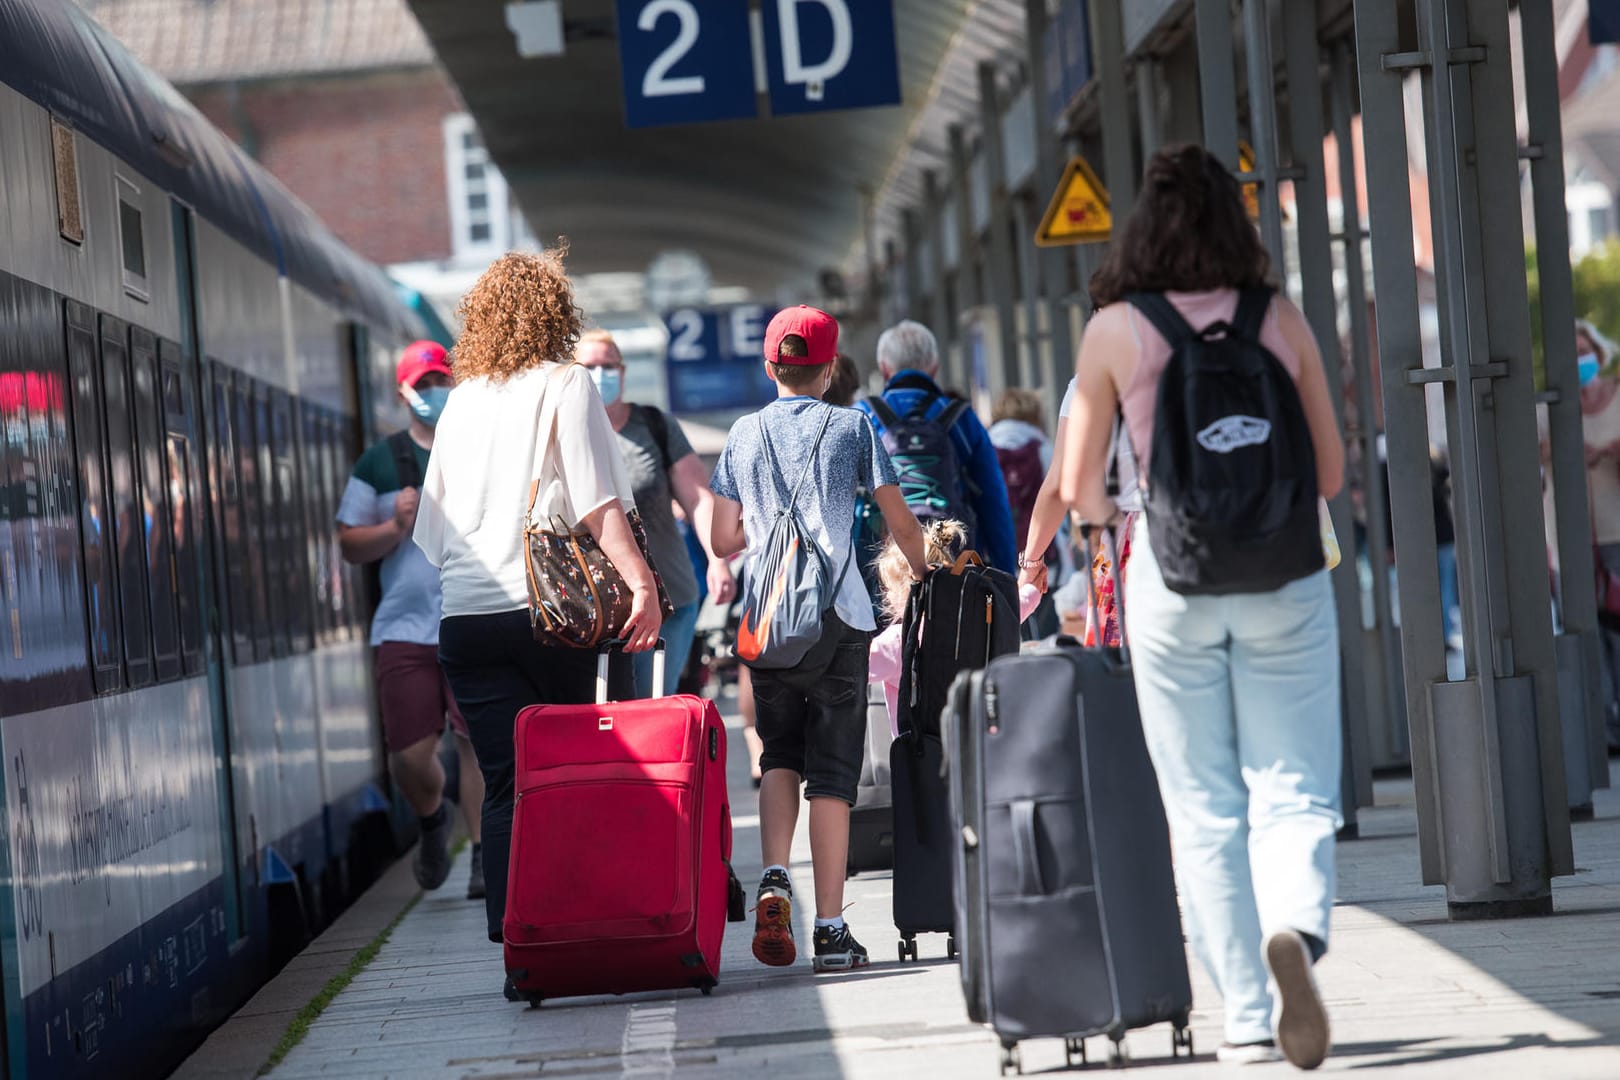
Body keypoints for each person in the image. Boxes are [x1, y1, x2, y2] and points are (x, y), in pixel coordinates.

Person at [1059, 144, 1345, 1070]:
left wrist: (1133, 511)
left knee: (1202, 807)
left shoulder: (1115, 332)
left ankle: (1249, 1021)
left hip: (1171, 581)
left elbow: (1079, 489)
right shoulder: (1279, 318)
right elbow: (1332, 474)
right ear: (1238, 221)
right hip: (1286, 575)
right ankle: (1297, 927)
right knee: (1291, 785)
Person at [413, 249, 663, 955]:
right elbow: (595, 502)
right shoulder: (567, 382)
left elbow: (430, 531)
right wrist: (641, 584)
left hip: (465, 621)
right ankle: (578, 917)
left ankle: (514, 939)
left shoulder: (459, 401)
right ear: (557, 315)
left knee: (503, 783)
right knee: (570, 773)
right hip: (552, 618)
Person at [708, 305, 927, 974]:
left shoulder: (742, 435)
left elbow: (722, 538)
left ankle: (775, 877)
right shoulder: (853, 426)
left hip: (770, 621)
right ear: (830, 369)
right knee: (832, 776)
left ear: (770, 365)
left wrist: (767, 538)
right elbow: (899, 520)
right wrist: (925, 571)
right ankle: (830, 929)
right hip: (839, 619)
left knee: (778, 754)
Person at [336, 340, 484, 898]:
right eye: (422, 386)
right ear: (403, 393)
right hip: (404, 626)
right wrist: (395, 527)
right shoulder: (380, 462)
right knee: (408, 757)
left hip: (468, 615)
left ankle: (482, 857)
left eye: (440, 382)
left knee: (474, 744)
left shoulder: (475, 451)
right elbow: (349, 545)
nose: (433, 393)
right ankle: (431, 819)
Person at [575, 330, 736, 697]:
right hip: (593, 606)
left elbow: (698, 498)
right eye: (589, 367)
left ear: (623, 371)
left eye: (608, 366)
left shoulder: (654, 425)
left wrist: (718, 559)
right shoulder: (566, 433)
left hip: (669, 598)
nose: (600, 375)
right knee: (602, 715)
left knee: (650, 705)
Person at [855, 321, 1018, 574]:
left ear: (885, 369)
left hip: (884, 568)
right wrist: (1006, 574)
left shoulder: (863, 417)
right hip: (952, 564)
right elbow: (993, 500)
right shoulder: (960, 418)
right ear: (934, 368)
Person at [867, 520, 1041, 732]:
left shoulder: (897, 641)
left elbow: (857, 668)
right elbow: (1018, 608)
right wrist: (1034, 587)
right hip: (977, 744)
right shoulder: (974, 618)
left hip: (924, 757)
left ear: (901, 591)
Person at [1567, 318, 1620, 748]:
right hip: (1573, 538)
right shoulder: (1555, 408)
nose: (1580, 359)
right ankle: (1606, 730)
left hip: (1617, 532)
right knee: (1589, 635)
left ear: (1598, 353)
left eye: (1584, 349)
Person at [989, 388, 1058, 637]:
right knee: (1043, 630)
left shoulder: (986, 445)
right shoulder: (1043, 447)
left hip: (998, 555)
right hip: (1042, 555)